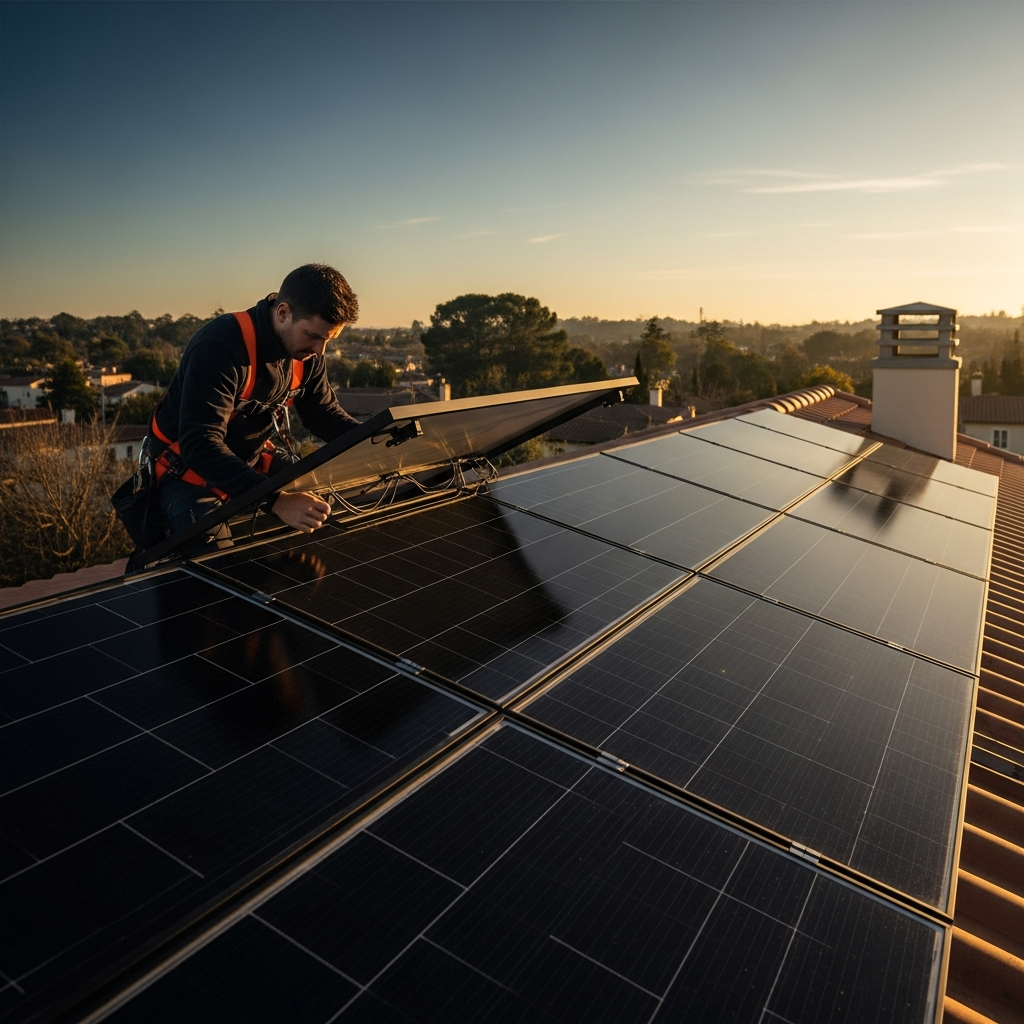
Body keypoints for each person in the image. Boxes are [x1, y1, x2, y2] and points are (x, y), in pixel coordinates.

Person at [148, 263, 360, 555]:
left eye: (328, 339)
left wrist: (377, 439)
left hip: (250, 462)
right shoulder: (219, 347)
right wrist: (276, 501)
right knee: (219, 568)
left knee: (332, 516)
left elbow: (322, 414)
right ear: (283, 313)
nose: (319, 350)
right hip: (189, 474)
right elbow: (201, 444)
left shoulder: (307, 353)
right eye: (313, 336)